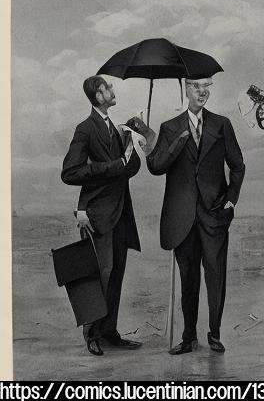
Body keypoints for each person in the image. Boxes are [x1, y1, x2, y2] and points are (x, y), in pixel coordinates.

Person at [147, 76, 245, 355]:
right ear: (186, 89)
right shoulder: (169, 128)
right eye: (196, 86)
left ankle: (214, 334)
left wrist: (231, 201)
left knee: (216, 277)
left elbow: (238, 165)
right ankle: (188, 337)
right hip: (182, 218)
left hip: (215, 215)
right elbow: (157, 167)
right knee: (188, 279)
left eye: (207, 86)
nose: (203, 92)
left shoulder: (221, 124)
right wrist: (176, 142)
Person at [60, 76, 145, 356]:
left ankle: (109, 331)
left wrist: (131, 145)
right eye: (108, 88)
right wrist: (112, 166)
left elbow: (131, 168)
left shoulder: (118, 131)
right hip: (98, 215)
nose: (113, 90)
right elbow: (70, 173)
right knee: (101, 274)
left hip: (121, 213)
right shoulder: (84, 129)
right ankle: (92, 334)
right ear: (98, 96)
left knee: (117, 273)